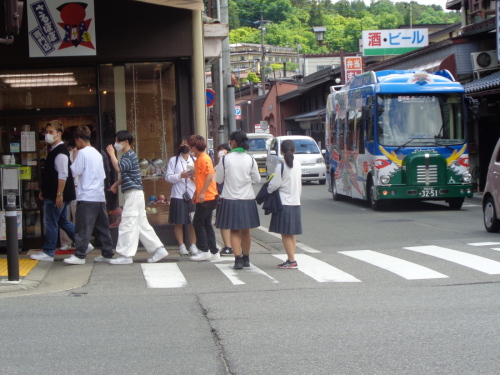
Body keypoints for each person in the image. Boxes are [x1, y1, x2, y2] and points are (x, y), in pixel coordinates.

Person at [105, 130, 168, 264]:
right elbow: (128, 174)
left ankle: (125, 255)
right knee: (141, 225)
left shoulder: (128, 155)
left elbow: (119, 168)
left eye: (118, 141)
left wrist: (111, 154)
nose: (116, 144)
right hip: (135, 193)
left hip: (133, 194)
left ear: (126, 142)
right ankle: (158, 249)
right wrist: (117, 183)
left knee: (127, 223)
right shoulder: (129, 155)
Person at [30, 120, 85, 262]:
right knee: (62, 221)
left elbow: (63, 175)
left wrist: (58, 194)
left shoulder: (60, 152)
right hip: (54, 193)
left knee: (51, 222)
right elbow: (52, 174)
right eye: (46, 132)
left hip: (57, 195)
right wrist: (45, 190)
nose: (47, 135)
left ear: (59, 134)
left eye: (51, 132)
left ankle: (48, 252)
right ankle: (84, 244)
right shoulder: (55, 150)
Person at [63, 126, 115, 265]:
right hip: (99, 195)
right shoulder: (98, 153)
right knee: (102, 227)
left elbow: (74, 171)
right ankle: (107, 252)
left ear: (79, 139)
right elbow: (103, 174)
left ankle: (79, 255)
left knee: (82, 228)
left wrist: (73, 157)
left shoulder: (82, 153)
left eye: (76, 141)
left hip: (86, 196)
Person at [215, 131, 260, 269]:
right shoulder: (250, 159)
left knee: (234, 230)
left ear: (233, 142)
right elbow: (257, 179)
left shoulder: (225, 159)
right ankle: (246, 258)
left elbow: (219, 179)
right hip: (247, 198)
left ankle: (237, 260)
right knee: (246, 231)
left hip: (230, 198)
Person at [267, 139, 302, 269]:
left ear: (281, 151)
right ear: (294, 150)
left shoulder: (280, 166)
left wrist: (268, 190)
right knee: (291, 233)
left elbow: (274, 185)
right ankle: (291, 258)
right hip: (295, 202)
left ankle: (291, 260)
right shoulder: (298, 164)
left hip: (283, 203)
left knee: (285, 234)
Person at [187, 134, 220, 261]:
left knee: (197, 222)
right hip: (207, 196)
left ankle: (204, 250)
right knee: (206, 224)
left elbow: (209, 176)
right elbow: (201, 179)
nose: (190, 149)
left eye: (190, 146)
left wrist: (201, 193)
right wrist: (197, 192)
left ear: (194, 147)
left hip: (207, 197)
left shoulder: (204, 159)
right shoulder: (201, 159)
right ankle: (214, 251)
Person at [165, 137, 198, 256]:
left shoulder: (194, 160)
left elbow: (201, 178)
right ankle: (181, 246)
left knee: (193, 222)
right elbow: (168, 177)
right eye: (182, 143)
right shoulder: (174, 160)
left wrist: (192, 177)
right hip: (178, 195)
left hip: (192, 194)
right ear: (179, 146)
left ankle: (193, 245)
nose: (184, 146)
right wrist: (180, 175)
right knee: (178, 222)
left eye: (187, 144)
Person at [59, 140, 78, 250]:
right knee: (64, 217)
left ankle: (77, 241)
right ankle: (65, 242)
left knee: (77, 217)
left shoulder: (84, 155)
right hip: (67, 189)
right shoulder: (65, 156)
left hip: (78, 190)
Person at [215, 143, 233, 256]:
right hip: (222, 194)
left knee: (228, 223)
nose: (221, 152)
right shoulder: (219, 164)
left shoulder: (228, 163)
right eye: (220, 150)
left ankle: (230, 246)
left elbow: (218, 179)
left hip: (228, 195)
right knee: (224, 223)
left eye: (224, 150)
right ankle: (228, 246)